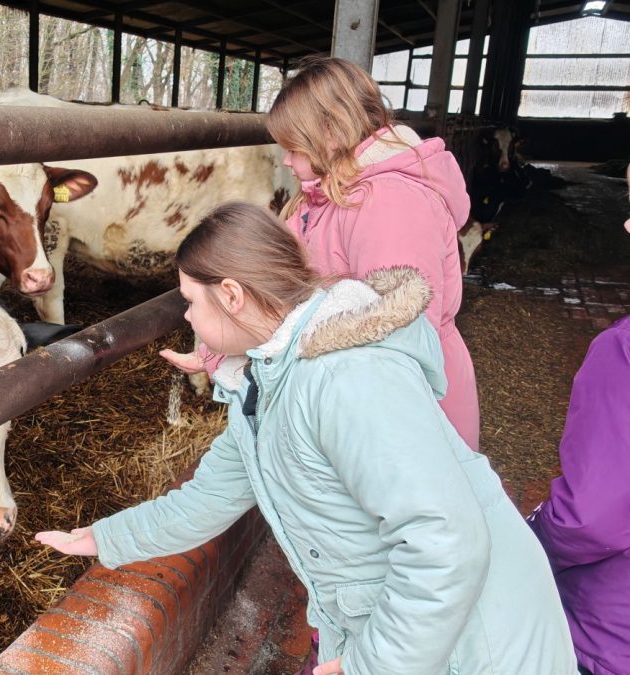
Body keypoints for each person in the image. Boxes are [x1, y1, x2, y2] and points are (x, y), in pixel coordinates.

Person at [39, 202, 575, 675]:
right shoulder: (269, 380)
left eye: (190, 301)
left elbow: (447, 541)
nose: (185, 316)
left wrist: (375, 665)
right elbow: (208, 497)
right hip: (421, 630)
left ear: (231, 295)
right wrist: (104, 539)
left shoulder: (346, 379)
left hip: (475, 645)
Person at [163, 56, 480, 452]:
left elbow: (402, 339)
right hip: (340, 401)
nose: (286, 160)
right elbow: (280, 296)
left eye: (293, 146)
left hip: (404, 420)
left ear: (329, 132)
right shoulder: (319, 196)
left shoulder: (391, 204)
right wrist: (217, 350)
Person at [526, 168, 630, 675]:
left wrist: (530, 541)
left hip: (610, 632)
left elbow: (591, 516)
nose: (628, 224)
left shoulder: (623, 352)